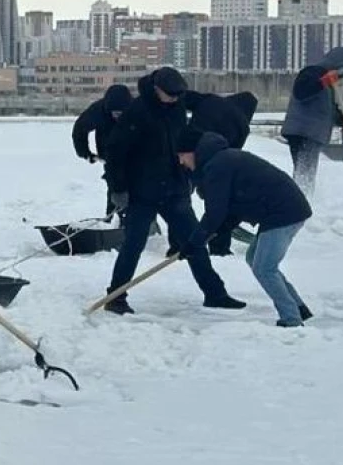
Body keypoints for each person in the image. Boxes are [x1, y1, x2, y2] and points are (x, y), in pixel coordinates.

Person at [101, 67, 245, 315]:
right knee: (133, 245)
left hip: (174, 189)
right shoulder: (136, 113)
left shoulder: (177, 106)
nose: (176, 100)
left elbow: (186, 137)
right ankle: (116, 296)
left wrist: (191, 176)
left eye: (179, 96)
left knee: (194, 242)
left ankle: (215, 294)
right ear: (156, 89)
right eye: (171, 95)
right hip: (142, 192)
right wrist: (119, 189)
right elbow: (115, 152)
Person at [177, 127, 313, 327]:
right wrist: (216, 231)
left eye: (181, 156)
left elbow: (216, 212)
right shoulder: (222, 159)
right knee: (257, 260)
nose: (181, 162)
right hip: (283, 209)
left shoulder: (217, 166)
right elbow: (233, 208)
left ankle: (291, 318)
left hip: (283, 212)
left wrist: (194, 242)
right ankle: (298, 307)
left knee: (265, 268)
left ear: (192, 152)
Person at [183, 90, 259, 254]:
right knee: (217, 205)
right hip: (212, 162)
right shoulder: (243, 126)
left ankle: (180, 239)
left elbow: (185, 98)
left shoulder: (211, 99)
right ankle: (219, 247)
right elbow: (232, 155)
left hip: (186, 149)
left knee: (179, 198)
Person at [280, 47, 343, 195]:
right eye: (340, 70)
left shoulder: (329, 86)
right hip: (302, 130)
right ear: (333, 64)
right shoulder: (311, 72)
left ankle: (304, 199)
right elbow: (301, 92)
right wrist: (323, 81)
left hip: (313, 134)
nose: (340, 75)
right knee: (304, 172)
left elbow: (330, 111)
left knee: (306, 171)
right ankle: (301, 201)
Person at [72, 83, 133, 219]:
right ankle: (113, 220)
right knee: (115, 189)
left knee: (138, 190)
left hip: (134, 156)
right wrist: (85, 152)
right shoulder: (98, 111)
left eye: (121, 113)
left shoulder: (137, 109)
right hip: (109, 156)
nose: (118, 116)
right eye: (115, 113)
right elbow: (80, 129)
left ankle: (144, 224)